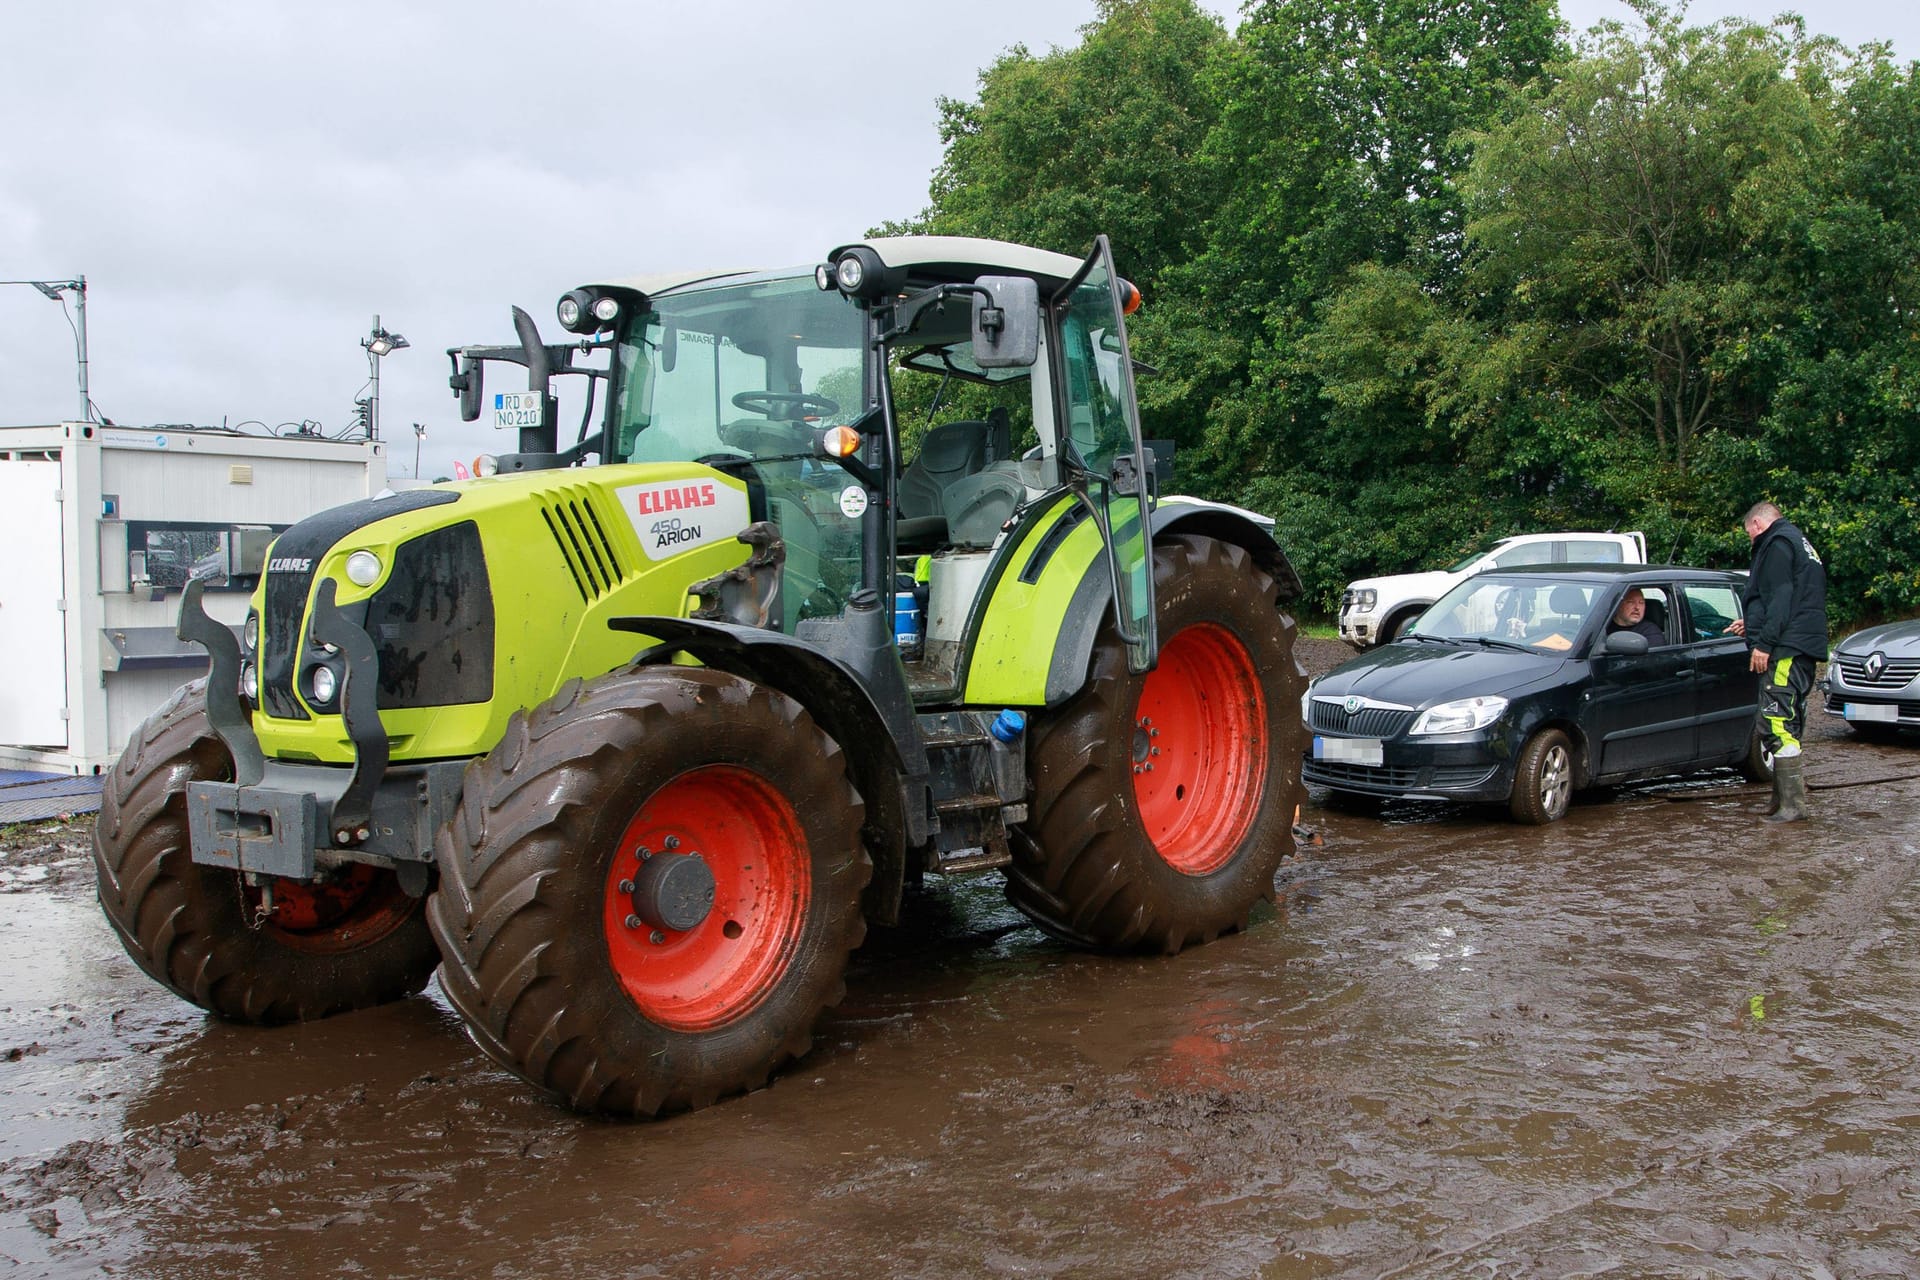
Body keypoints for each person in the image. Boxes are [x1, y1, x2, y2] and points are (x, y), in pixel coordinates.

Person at [1727, 501, 1828, 822]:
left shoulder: (1777, 545)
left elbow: (1781, 596)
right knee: (1787, 722)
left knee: (1776, 723)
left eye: (1748, 534)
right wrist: (1751, 624)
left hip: (1786, 649)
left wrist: (1764, 644)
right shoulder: (1797, 543)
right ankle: (1780, 802)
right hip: (1801, 644)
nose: (1750, 540)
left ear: (1757, 523)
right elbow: (1788, 598)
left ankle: (1792, 807)